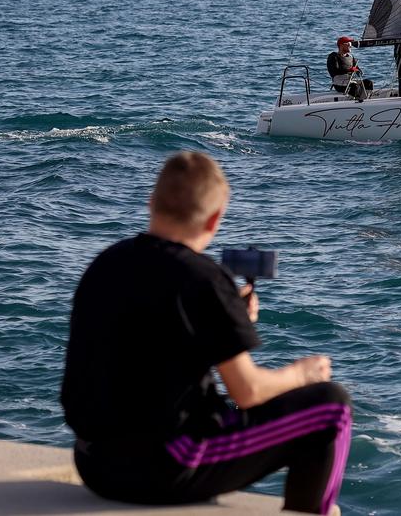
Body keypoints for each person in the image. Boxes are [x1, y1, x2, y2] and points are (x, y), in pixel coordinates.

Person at [61, 151, 352, 513]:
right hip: (164, 468)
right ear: (214, 220)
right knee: (331, 407)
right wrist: (302, 374)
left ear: (152, 203)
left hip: (94, 463)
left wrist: (228, 321)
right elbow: (247, 392)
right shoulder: (204, 279)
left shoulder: (104, 264)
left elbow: (146, 346)